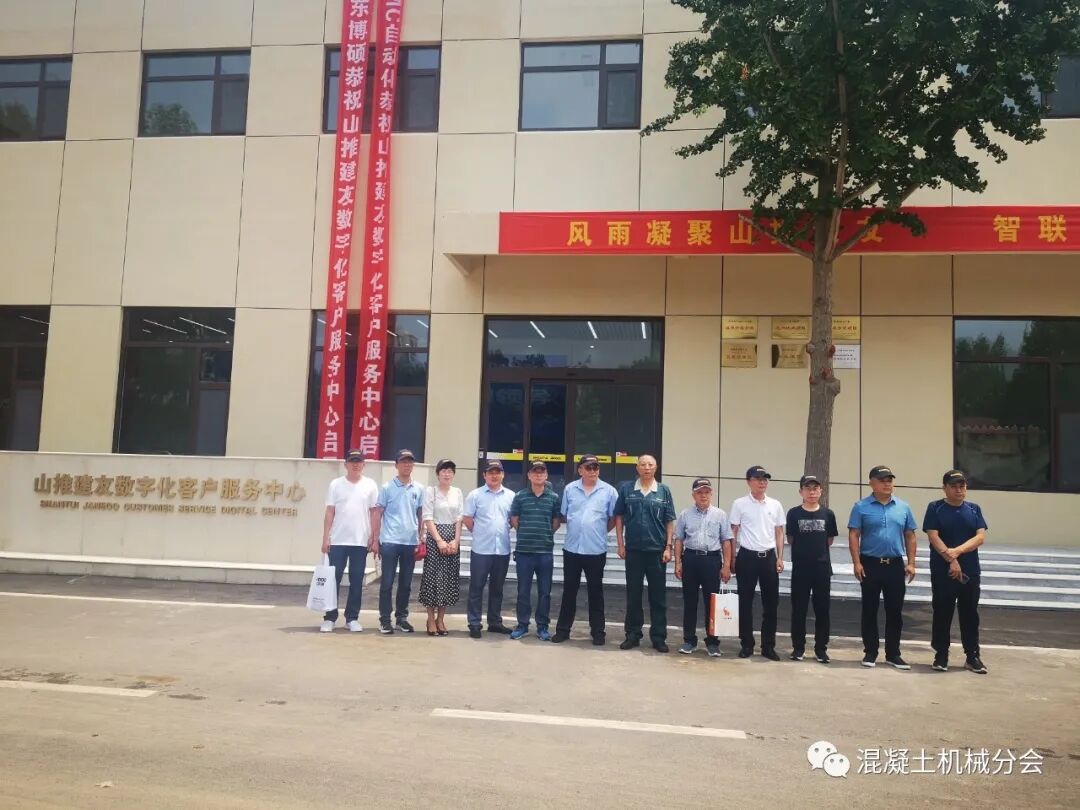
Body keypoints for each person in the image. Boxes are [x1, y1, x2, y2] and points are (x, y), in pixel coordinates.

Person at [848, 465, 917, 669]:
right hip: (870, 564)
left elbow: (910, 535)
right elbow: (854, 534)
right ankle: (870, 652)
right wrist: (856, 562)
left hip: (894, 565)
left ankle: (893, 654)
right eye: (882, 480)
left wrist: (911, 563)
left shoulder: (903, 507)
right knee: (869, 610)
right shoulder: (861, 506)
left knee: (895, 611)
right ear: (872, 483)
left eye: (889, 480)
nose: (887, 484)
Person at [923, 469, 988, 675]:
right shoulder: (935, 508)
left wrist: (957, 552)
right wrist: (951, 560)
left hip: (970, 571)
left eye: (962, 486)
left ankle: (972, 656)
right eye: (954, 486)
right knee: (942, 612)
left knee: (970, 614)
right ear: (944, 488)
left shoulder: (974, 509)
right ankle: (941, 654)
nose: (959, 490)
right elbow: (933, 536)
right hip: (943, 571)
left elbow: (980, 537)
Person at [553, 454, 618, 645]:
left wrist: (598, 532)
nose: (592, 471)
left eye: (595, 467)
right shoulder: (570, 489)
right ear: (580, 470)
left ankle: (598, 632)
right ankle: (563, 630)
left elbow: (613, 519)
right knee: (569, 591)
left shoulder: (609, 491)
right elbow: (565, 515)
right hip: (572, 549)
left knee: (596, 592)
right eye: (588, 468)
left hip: (595, 550)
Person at [614, 454, 676, 653]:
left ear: (656, 468)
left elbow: (669, 520)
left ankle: (658, 637)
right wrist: (620, 544)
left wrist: (668, 547)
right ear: (637, 468)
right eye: (643, 464)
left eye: (650, 465)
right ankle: (632, 635)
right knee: (633, 595)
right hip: (633, 551)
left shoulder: (663, 491)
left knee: (658, 597)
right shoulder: (627, 489)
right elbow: (619, 517)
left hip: (657, 552)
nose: (646, 468)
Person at [319, 449, 379, 633]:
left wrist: (374, 537)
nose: (355, 464)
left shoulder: (370, 485)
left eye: (358, 461)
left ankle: (352, 618)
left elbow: (374, 512)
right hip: (337, 540)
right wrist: (325, 538)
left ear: (364, 464)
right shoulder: (336, 484)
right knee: (333, 580)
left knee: (356, 580)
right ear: (345, 464)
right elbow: (330, 511)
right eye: (352, 461)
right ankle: (330, 618)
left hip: (360, 541)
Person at [729, 466, 786, 660]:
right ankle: (747, 644)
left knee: (771, 604)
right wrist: (732, 558)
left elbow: (779, 532)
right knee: (745, 602)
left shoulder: (775, 505)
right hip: (747, 557)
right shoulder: (739, 504)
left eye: (765, 479)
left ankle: (768, 646)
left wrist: (780, 557)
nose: (762, 482)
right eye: (758, 479)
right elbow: (733, 531)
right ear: (749, 481)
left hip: (769, 558)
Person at [673, 478, 733, 657]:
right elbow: (679, 539)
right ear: (693, 495)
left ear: (711, 494)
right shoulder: (685, 514)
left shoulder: (720, 515)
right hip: (691, 559)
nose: (703, 495)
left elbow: (726, 541)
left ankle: (712, 642)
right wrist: (678, 563)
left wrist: (726, 565)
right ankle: (689, 640)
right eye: (699, 492)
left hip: (711, 560)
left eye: (707, 492)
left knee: (712, 603)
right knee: (690, 602)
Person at [786, 474, 838, 664]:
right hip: (801, 568)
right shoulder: (793, 514)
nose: (812, 492)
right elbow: (791, 538)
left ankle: (821, 649)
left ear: (820, 491)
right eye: (807, 488)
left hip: (822, 568)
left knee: (822, 609)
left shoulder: (828, 514)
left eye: (815, 488)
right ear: (801, 492)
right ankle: (798, 648)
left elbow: (829, 540)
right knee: (799, 609)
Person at [373, 449, 424, 635]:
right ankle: (385, 620)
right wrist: (375, 539)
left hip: (410, 542)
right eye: (403, 462)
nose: (407, 465)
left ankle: (401, 618)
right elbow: (378, 513)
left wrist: (421, 536)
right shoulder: (387, 487)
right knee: (387, 582)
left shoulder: (419, 488)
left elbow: (420, 514)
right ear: (396, 465)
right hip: (389, 541)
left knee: (406, 583)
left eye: (410, 462)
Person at [509, 461, 561, 641]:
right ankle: (522, 625)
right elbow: (514, 519)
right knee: (523, 591)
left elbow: (556, 522)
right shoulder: (520, 496)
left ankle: (542, 627)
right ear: (529, 475)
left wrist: (544, 534)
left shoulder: (553, 497)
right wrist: (525, 533)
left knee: (545, 592)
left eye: (542, 472)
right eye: (535, 472)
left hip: (545, 552)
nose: (538, 475)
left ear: (546, 476)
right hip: (524, 551)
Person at [463, 460, 515, 638]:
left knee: (497, 588)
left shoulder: (511, 496)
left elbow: (512, 520)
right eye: (490, 472)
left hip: (502, 549)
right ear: (484, 475)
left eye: (497, 472)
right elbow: (468, 519)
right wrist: (481, 532)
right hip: (481, 549)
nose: (494, 475)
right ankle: (474, 623)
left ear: (503, 475)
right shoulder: (475, 495)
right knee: (476, 587)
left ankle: (494, 622)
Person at [419, 459, 464, 637]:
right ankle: (430, 619)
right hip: (435, 537)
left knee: (448, 579)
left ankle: (441, 619)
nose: (447, 474)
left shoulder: (457, 492)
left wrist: (456, 541)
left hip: (452, 538)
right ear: (438, 474)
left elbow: (459, 518)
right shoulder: (430, 491)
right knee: (432, 579)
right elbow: (427, 517)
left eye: (450, 471)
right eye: (444, 470)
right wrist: (439, 540)